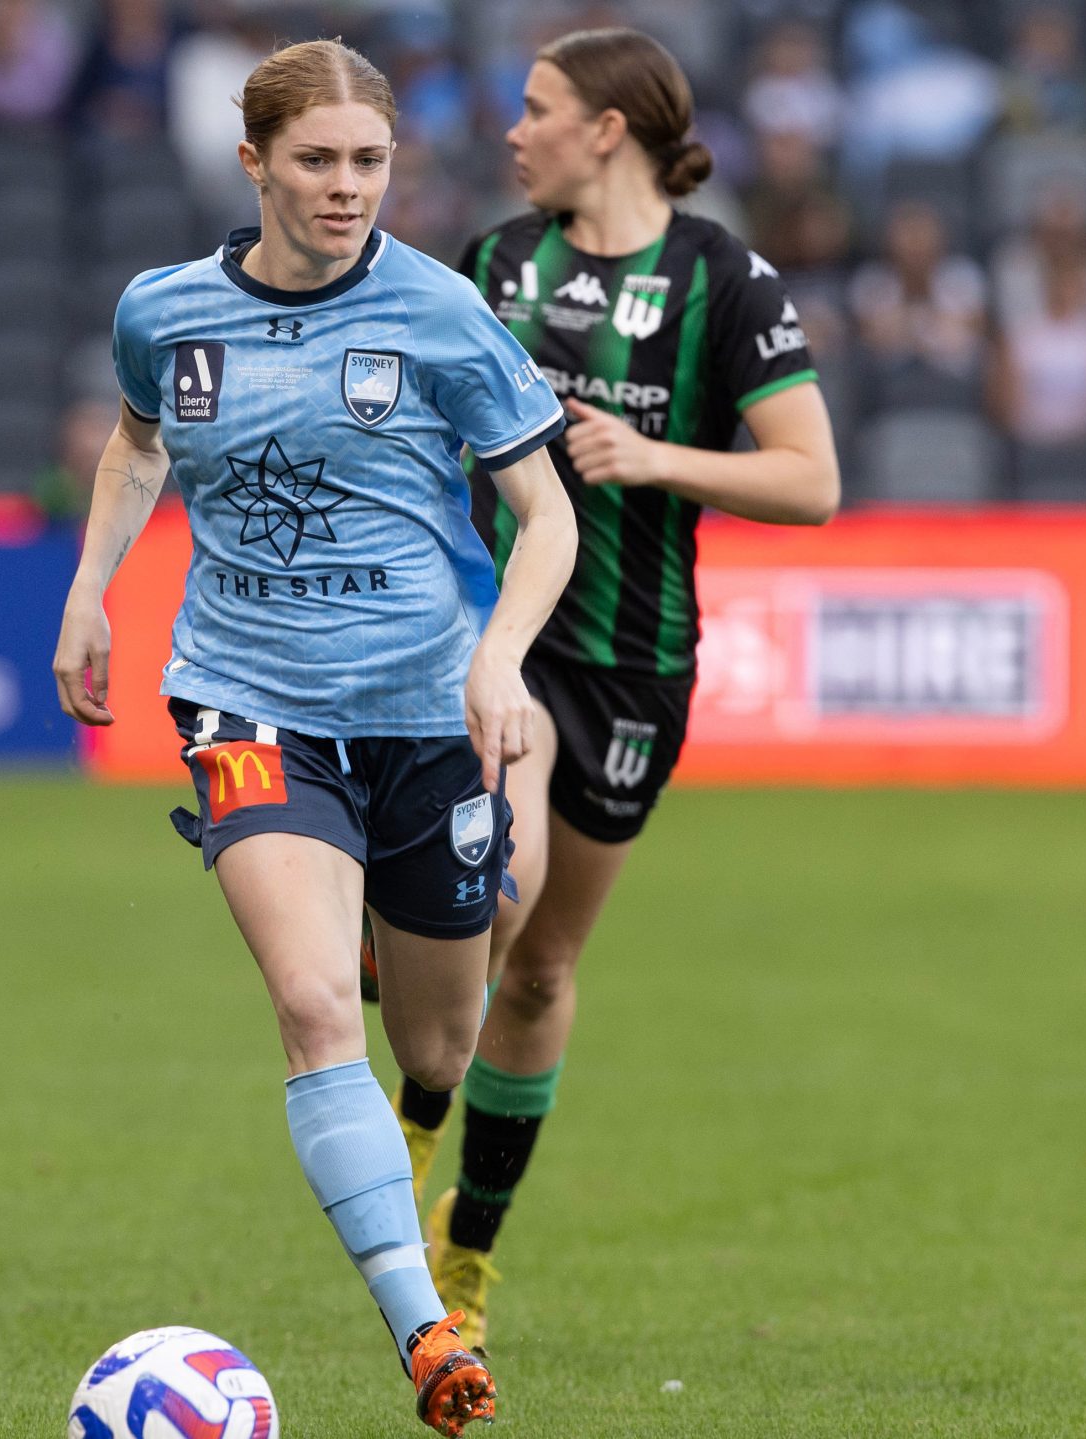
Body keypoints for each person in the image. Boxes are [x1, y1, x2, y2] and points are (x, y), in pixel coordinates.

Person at [52, 39, 575, 1436]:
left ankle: (393, 930)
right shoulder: (164, 311)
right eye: (317, 161)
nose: (347, 188)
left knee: (442, 1049)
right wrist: (90, 590)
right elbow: (136, 441)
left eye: (369, 161)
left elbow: (551, 515)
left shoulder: (442, 313)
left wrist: (500, 658)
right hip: (247, 701)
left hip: (425, 719)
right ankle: (426, 1335)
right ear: (254, 166)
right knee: (307, 1009)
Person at [397, 27, 840, 1353]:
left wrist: (653, 459)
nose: (513, 132)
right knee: (495, 887)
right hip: (495, 637)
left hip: (635, 664)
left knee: (543, 969)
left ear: (609, 128)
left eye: (537, 111)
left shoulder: (725, 280)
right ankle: (415, 1082)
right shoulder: (492, 263)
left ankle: (466, 1249)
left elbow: (811, 480)